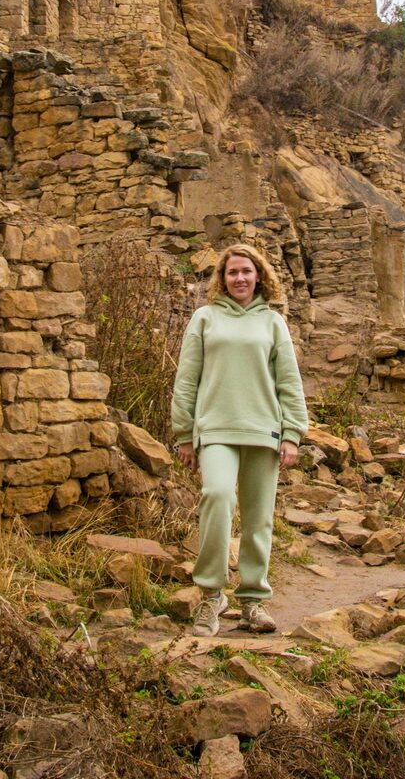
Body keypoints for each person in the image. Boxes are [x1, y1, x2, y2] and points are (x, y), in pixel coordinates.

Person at [171, 243, 308, 637]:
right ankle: (212, 595)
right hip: (214, 429)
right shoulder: (204, 318)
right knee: (216, 496)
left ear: (259, 276)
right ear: (222, 279)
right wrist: (184, 433)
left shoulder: (272, 323)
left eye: (247, 271)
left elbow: (289, 382)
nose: (240, 278)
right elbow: (186, 380)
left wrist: (293, 433)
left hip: (263, 430)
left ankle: (252, 600)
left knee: (258, 517)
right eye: (232, 273)